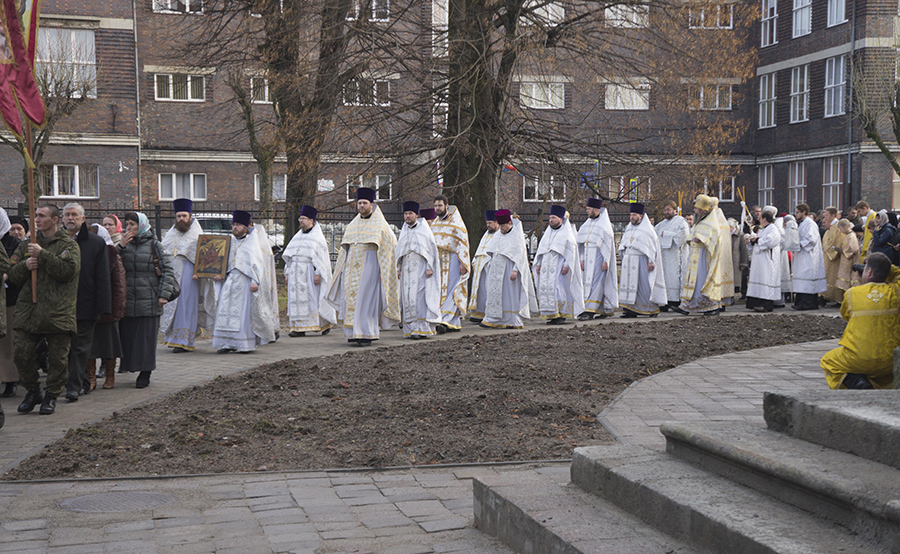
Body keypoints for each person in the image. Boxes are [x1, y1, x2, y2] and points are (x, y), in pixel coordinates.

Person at [9, 204, 80, 415]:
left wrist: (43, 256)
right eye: (35, 216)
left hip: (57, 311)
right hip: (29, 310)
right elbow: (11, 274)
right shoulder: (27, 245)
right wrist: (25, 266)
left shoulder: (69, 245)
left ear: (55, 220)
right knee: (21, 353)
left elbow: (68, 271)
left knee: (58, 358)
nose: (37, 220)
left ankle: (51, 396)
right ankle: (33, 391)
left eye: (41, 216)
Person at [324, 187, 400, 346]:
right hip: (351, 270)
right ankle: (352, 333)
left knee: (366, 301)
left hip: (370, 269)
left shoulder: (381, 225)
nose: (362, 206)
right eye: (359, 203)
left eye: (365, 203)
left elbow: (391, 247)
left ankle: (367, 333)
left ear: (372, 204)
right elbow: (345, 249)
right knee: (352, 300)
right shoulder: (353, 225)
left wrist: (384, 272)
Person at [821, 252, 899, 389]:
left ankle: (857, 382)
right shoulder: (896, 291)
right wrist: (887, 268)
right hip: (891, 358)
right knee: (886, 374)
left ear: (868, 272)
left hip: (858, 358)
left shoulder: (852, 293)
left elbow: (846, 315)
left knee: (828, 361)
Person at [119, 212, 176, 388]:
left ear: (141, 225)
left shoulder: (155, 245)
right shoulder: (124, 245)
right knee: (127, 337)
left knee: (146, 339)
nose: (128, 228)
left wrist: (164, 295)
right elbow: (112, 265)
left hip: (149, 299)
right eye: (127, 224)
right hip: (128, 299)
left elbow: (168, 271)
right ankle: (129, 366)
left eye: (132, 224)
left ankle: (145, 373)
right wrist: (119, 248)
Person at [210, 210, 277, 354]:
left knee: (242, 314)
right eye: (234, 224)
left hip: (245, 282)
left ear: (246, 226)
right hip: (230, 281)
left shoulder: (252, 243)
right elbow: (222, 261)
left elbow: (257, 265)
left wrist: (255, 281)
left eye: (239, 225)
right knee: (224, 312)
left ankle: (243, 344)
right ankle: (226, 343)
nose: (235, 227)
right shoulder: (229, 241)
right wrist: (219, 274)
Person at [62, 203, 111, 401]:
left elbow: (102, 276)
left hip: (86, 301)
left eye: (74, 215)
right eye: (66, 215)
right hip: (61, 304)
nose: (70, 218)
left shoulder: (95, 242)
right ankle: (82, 382)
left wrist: (103, 306)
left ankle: (73, 387)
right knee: (65, 347)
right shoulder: (58, 241)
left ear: (83, 219)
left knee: (80, 347)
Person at [161, 199, 214, 353]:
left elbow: (206, 257)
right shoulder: (171, 233)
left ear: (190, 216)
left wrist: (200, 271)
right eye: (178, 216)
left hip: (190, 274)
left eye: (184, 216)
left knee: (186, 306)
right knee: (173, 306)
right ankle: (173, 338)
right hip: (173, 273)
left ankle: (184, 340)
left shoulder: (197, 234)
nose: (181, 219)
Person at [281, 205, 334, 337]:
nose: (301, 221)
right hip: (295, 274)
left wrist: (318, 274)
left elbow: (322, 260)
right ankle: (298, 328)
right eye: (300, 218)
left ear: (311, 220)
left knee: (313, 299)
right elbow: (289, 257)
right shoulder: (297, 237)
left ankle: (321, 324)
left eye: (303, 218)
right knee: (296, 300)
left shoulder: (318, 238)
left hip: (309, 274)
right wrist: (287, 273)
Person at [480, 210, 537, 329]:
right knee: (496, 295)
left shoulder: (517, 236)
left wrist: (515, 270)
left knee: (510, 295)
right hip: (496, 269)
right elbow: (492, 251)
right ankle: (493, 319)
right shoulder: (498, 234)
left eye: (503, 225)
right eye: (500, 226)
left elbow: (521, 255)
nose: (501, 228)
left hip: (510, 269)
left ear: (509, 223)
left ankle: (513, 320)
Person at [678, 195, 733, 315]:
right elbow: (692, 235)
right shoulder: (700, 222)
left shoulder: (712, 223)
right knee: (694, 282)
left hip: (704, 258)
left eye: (696, 209)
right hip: (695, 256)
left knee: (702, 281)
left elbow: (716, 238)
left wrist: (702, 239)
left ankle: (712, 307)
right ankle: (689, 305)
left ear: (702, 210)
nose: (694, 210)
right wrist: (692, 239)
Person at [395, 201, 441, 339]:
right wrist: (398, 267)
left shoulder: (424, 230)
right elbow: (399, 251)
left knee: (419, 298)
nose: (407, 216)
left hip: (420, 267)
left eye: (410, 214)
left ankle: (420, 329)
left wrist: (429, 267)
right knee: (407, 298)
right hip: (406, 268)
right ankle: (410, 329)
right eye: (405, 214)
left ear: (416, 215)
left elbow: (431, 251)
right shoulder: (404, 230)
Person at [88, 224, 126, 390]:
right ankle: (91, 377)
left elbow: (119, 284)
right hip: (89, 307)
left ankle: (110, 375)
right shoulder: (86, 252)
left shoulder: (112, 254)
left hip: (108, 307)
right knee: (89, 345)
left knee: (109, 344)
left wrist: (117, 309)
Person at [533, 205, 584, 325]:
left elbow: (571, 251)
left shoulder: (567, 233)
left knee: (558, 290)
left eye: (554, 218)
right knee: (546, 290)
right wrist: (539, 263)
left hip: (559, 267)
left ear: (561, 219)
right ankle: (551, 314)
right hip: (546, 266)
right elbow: (541, 250)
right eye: (550, 218)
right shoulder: (547, 233)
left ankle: (561, 315)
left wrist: (567, 265)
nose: (551, 220)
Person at [618, 203, 667, 318]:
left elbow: (652, 247)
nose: (632, 217)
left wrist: (651, 261)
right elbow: (624, 243)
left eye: (634, 215)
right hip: (629, 261)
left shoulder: (648, 230)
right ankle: (630, 309)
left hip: (642, 261)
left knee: (644, 285)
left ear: (640, 216)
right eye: (631, 215)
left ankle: (651, 309)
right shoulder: (629, 228)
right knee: (629, 286)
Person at [430, 195, 470, 333]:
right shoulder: (434, 223)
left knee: (452, 289)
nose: (437, 208)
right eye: (435, 206)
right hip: (439, 262)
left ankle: (446, 320)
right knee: (440, 290)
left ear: (447, 206)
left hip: (453, 260)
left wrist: (463, 263)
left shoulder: (457, 223)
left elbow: (463, 244)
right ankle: (453, 322)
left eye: (440, 205)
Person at [577, 197, 618, 319]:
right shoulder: (587, 223)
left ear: (596, 209)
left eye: (589, 209)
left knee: (597, 284)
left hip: (599, 258)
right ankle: (603, 309)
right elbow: (582, 243)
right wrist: (582, 259)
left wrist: (606, 261)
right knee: (587, 284)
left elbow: (608, 246)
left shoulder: (604, 225)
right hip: (588, 258)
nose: (587, 211)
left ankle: (590, 311)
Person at [0, 208, 21, 397]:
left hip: (8, 299)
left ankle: (10, 380)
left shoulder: (13, 244)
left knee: (8, 343)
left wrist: (5, 276)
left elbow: (14, 266)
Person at [791, 203, 827, 310]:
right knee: (802, 279)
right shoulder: (802, 223)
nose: (796, 214)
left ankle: (807, 304)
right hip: (802, 255)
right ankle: (801, 302)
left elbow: (811, 240)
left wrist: (799, 244)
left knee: (807, 278)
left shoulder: (810, 224)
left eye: (797, 212)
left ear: (804, 212)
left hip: (809, 256)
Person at [655, 200, 689, 311]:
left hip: (675, 255)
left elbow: (685, 235)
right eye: (665, 210)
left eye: (668, 210)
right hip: (663, 255)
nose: (666, 212)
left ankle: (675, 301)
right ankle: (664, 301)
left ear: (675, 210)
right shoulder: (661, 224)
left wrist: (667, 235)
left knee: (674, 277)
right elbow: (654, 235)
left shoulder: (681, 222)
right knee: (664, 278)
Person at [745, 206, 782, 312]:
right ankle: (756, 303)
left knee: (766, 280)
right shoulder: (764, 229)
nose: (759, 220)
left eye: (761, 218)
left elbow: (770, 242)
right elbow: (758, 240)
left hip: (767, 262)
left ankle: (766, 305)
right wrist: (751, 240)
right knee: (759, 280)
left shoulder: (773, 229)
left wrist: (757, 240)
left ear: (765, 219)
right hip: (759, 261)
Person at [467, 210, 499, 323]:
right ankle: (478, 313)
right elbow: (479, 250)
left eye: (490, 223)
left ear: (497, 223)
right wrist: (474, 262)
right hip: (480, 266)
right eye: (487, 223)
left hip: (490, 265)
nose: (488, 225)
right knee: (480, 290)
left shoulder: (499, 235)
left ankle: (488, 312)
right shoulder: (486, 234)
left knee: (488, 288)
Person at [820, 207, 843, 305]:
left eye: (827, 215)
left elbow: (838, 242)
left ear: (833, 215)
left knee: (833, 276)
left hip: (834, 258)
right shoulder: (830, 228)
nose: (825, 217)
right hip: (826, 256)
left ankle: (836, 297)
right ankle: (825, 296)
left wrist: (828, 250)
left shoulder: (838, 227)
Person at [833, 219, 860, 300]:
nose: (841, 231)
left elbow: (853, 249)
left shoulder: (852, 236)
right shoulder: (848, 235)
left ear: (845, 227)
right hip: (845, 261)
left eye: (841, 229)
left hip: (850, 262)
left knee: (849, 281)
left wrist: (841, 250)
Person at [729, 218, 749, 300]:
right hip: (728, 261)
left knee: (741, 278)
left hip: (737, 261)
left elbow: (744, 250)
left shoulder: (740, 235)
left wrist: (743, 263)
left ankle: (743, 293)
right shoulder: (726, 235)